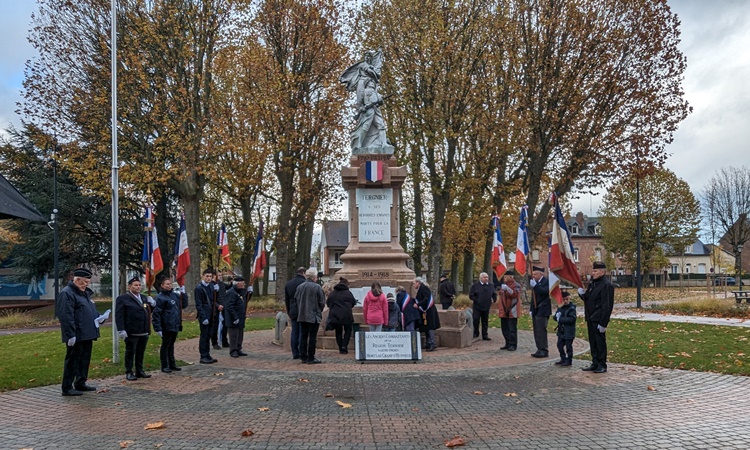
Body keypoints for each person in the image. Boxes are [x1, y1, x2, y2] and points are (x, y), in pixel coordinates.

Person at [58, 267, 109, 396]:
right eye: (84, 282)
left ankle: (80, 382)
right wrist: (70, 334)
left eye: (87, 282)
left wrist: (100, 317)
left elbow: (89, 310)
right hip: (77, 333)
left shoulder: (84, 293)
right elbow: (66, 315)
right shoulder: (67, 293)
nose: (86, 284)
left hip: (87, 333)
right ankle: (67, 387)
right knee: (73, 360)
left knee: (84, 359)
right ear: (76, 279)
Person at [115, 276, 155, 381]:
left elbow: (149, 311)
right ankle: (129, 371)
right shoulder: (123, 298)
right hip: (131, 330)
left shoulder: (143, 297)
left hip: (143, 329)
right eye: (135, 285)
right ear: (129, 287)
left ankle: (139, 370)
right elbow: (119, 315)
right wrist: (121, 329)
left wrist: (152, 304)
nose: (138, 287)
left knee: (140, 351)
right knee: (130, 351)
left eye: (139, 285)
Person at [578, 261, 615, 373]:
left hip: (599, 319)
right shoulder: (593, 283)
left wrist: (603, 323)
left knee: (600, 342)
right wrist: (582, 294)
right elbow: (589, 299)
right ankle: (595, 362)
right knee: (593, 342)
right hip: (590, 317)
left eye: (595, 271)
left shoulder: (606, 285)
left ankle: (602, 364)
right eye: (593, 270)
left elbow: (607, 306)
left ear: (602, 272)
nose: (592, 273)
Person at [152, 277, 188, 373]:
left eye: (170, 284)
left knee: (171, 345)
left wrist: (183, 294)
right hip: (166, 325)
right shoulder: (160, 297)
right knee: (165, 345)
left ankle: (172, 363)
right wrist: (158, 328)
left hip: (174, 324)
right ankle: (164, 365)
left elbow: (183, 305)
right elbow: (156, 313)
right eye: (167, 284)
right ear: (162, 285)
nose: (169, 285)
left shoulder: (174, 295)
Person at [294, 268, 326, 364]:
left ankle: (303, 356)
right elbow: (322, 302)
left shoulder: (300, 287)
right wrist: (318, 311)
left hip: (302, 315)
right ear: (314, 277)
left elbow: (296, 300)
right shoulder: (317, 287)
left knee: (303, 336)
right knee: (312, 337)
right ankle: (311, 357)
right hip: (313, 316)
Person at [325, 277, 357, 354]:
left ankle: (340, 347)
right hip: (346, 315)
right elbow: (353, 302)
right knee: (348, 330)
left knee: (338, 331)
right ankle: (344, 346)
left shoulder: (333, 293)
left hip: (335, 315)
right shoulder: (348, 293)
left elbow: (328, 303)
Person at [195, 268, 220, 364]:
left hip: (211, 314)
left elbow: (213, 300)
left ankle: (207, 354)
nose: (209, 278)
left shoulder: (210, 287)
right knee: (204, 336)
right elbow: (199, 304)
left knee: (209, 335)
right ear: (203, 276)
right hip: (204, 315)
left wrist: (216, 292)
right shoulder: (199, 288)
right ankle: (203, 356)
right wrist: (203, 317)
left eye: (210, 276)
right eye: (207, 276)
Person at [284, 267, 307, 360]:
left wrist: (289, 311)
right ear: (303, 272)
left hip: (293, 309)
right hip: (302, 309)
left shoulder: (288, 283)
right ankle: (302, 351)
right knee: (302, 331)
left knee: (294, 331)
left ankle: (295, 352)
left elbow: (286, 299)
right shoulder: (304, 283)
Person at [224, 276, 250, 358]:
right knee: (234, 335)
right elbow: (229, 306)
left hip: (240, 317)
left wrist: (250, 292)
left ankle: (238, 348)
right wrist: (235, 317)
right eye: (242, 283)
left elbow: (244, 299)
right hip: (233, 318)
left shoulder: (239, 292)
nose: (244, 285)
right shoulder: (231, 292)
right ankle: (233, 350)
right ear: (238, 284)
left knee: (240, 334)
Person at [529, 265, 551, 358]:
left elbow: (545, 292)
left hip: (543, 309)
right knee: (536, 330)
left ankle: (544, 349)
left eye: (535, 274)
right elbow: (532, 297)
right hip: (536, 309)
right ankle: (539, 348)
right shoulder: (536, 282)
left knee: (541, 330)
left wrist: (536, 286)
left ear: (540, 274)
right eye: (533, 274)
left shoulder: (546, 281)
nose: (533, 276)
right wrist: (531, 309)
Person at [413, 277, 440, 351]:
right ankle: (428, 343)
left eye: (414, 283)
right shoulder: (421, 288)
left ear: (418, 282)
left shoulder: (424, 288)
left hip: (429, 310)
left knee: (430, 327)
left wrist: (418, 304)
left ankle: (432, 343)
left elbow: (426, 298)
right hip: (425, 311)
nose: (413, 284)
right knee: (426, 327)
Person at [497, 269, 521, 351]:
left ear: (511, 277)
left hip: (512, 310)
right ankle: (507, 343)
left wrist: (507, 289)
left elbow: (514, 295)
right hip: (504, 310)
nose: (504, 278)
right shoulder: (504, 285)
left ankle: (513, 344)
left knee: (512, 329)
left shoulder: (516, 285)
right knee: (505, 329)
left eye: (505, 277)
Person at [469, 272, 496, 341]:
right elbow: (471, 295)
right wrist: (476, 300)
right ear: (480, 278)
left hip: (486, 306)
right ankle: (476, 333)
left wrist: (494, 299)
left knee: (485, 321)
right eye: (484, 277)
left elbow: (494, 294)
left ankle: (485, 335)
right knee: (476, 320)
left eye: (487, 277)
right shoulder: (475, 286)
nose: (486, 279)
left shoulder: (490, 285)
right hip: (477, 306)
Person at [552, 291, 577, 366]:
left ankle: (569, 360)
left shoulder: (571, 308)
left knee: (568, 347)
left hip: (569, 331)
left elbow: (572, 319)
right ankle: (563, 358)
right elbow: (555, 318)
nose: (565, 301)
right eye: (563, 299)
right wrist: (557, 315)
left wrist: (561, 319)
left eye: (567, 299)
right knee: (559, 345)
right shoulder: (560, 307)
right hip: (562, 331)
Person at [211, 270, 229, 349]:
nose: (220, 276)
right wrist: (217, 305)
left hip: (224, 306)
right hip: (215, 309)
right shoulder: (211, 285)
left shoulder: (222, 284)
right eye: (219, 275)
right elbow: (211, 299)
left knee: (225, 325)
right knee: (215, 326)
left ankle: (224, 341)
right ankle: (215, 342)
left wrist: (232, 281)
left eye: (221, 275)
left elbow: (229, 286)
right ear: (214, 276)